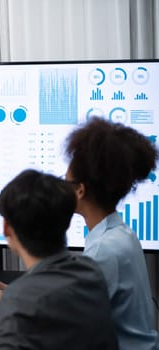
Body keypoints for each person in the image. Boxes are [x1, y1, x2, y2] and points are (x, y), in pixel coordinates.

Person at [0, 169, 118, 350]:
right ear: (67, 222)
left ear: (7, 228)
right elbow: (52, 335)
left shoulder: (20, 299)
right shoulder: (90, 272)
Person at [63, 117, 158, 349]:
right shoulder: (120, 233)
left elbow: (64, 322)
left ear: (80, 190)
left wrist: (10, 303)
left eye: (64, 182)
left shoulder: (103, 249)